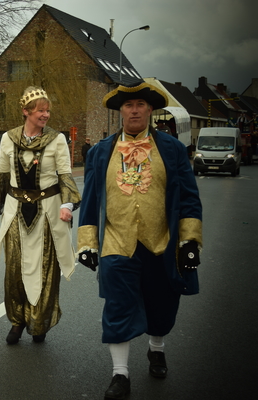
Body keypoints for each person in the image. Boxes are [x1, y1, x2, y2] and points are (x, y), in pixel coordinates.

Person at [76, 82, 202, 399]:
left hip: (160, 242)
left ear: (150, 110)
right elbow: (90, 199)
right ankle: (120, 374)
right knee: (118, 308)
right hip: (117, 246)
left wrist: (189, 242)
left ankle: (156, 347)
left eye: (141, 105)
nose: (134, 110)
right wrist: (87, 242)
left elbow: (188, 197)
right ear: (121, 110)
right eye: (129, 105)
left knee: (162, 306)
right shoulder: (100, 152)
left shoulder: (172, 149)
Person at [0, 86, 81, 344]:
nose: (46, 115)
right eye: (40, 111)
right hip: (15, 211)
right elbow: (2, 176)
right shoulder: (8, 139)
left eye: (48, 110)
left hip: (47, 212)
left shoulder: (57, 139)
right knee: (14, 269)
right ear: (25, 112)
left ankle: (39, 322)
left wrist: (67, 205)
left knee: (44, 269)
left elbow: (64, 176)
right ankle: (17, 321)